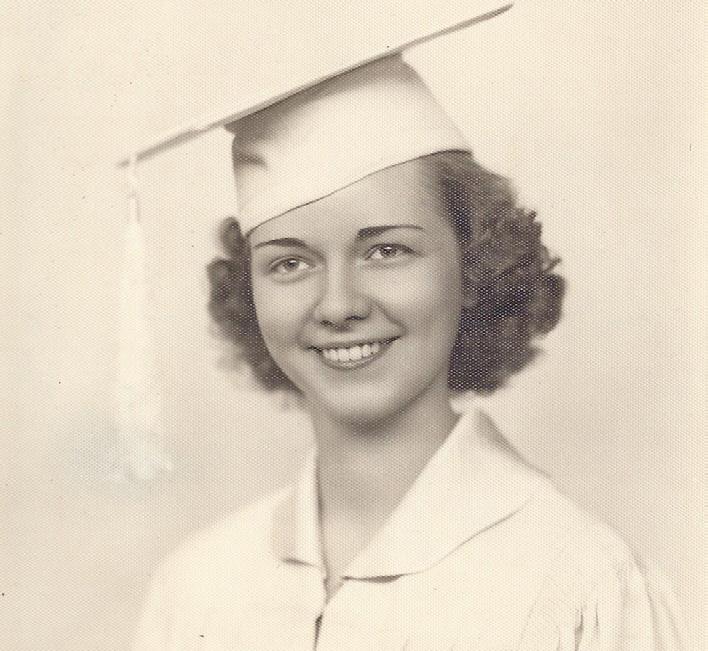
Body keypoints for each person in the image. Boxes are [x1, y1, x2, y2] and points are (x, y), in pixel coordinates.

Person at [130, 5, 685, 650]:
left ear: (474, 263)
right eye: (290, 263)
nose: (338, 305)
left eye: (386, 251)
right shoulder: (196, 587)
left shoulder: (581, 583)